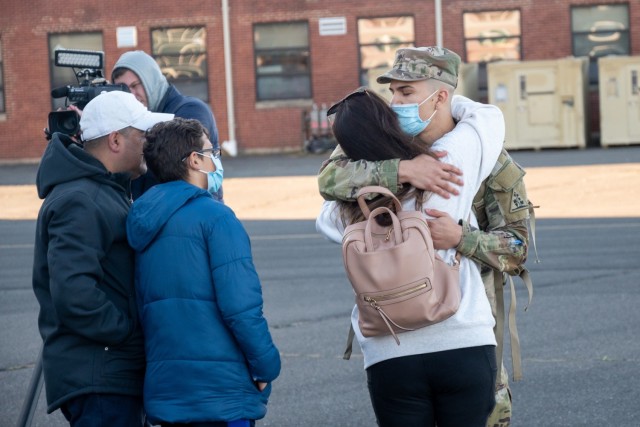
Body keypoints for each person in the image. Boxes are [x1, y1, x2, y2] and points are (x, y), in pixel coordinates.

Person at [317, 47, 533, 427]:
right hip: (394, 322)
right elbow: (329, 179)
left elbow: (517, 249)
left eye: (406, 93)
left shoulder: (491, 159)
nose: (394, 102)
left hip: (466, 324)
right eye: (392, 92)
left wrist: (463, 238)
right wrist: (402, 170)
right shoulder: (381, 143)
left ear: (441, 96)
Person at [126, 118, 281, 427]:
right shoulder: (217, 218)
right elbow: (241, 306)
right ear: (195, 159)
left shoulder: (143, 219)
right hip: (221, 394)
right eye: (212, 150)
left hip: (168, 391)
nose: (216, 157)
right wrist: (267, 366)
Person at [32, 90, 174, 425]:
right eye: (144, 135)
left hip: (106, 372)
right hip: (100, 376)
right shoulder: (80, 198)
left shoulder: (102, 189)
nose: (150, 144)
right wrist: (128, 334)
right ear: (115, 140)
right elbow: (74, 294)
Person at [112, 50, 221, 200]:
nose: (131, 94)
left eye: (135, 85)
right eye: (123, 90)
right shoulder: (131, 121)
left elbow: (171, 162)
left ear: (152, 81)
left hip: (194, 215)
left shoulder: (191, 109)